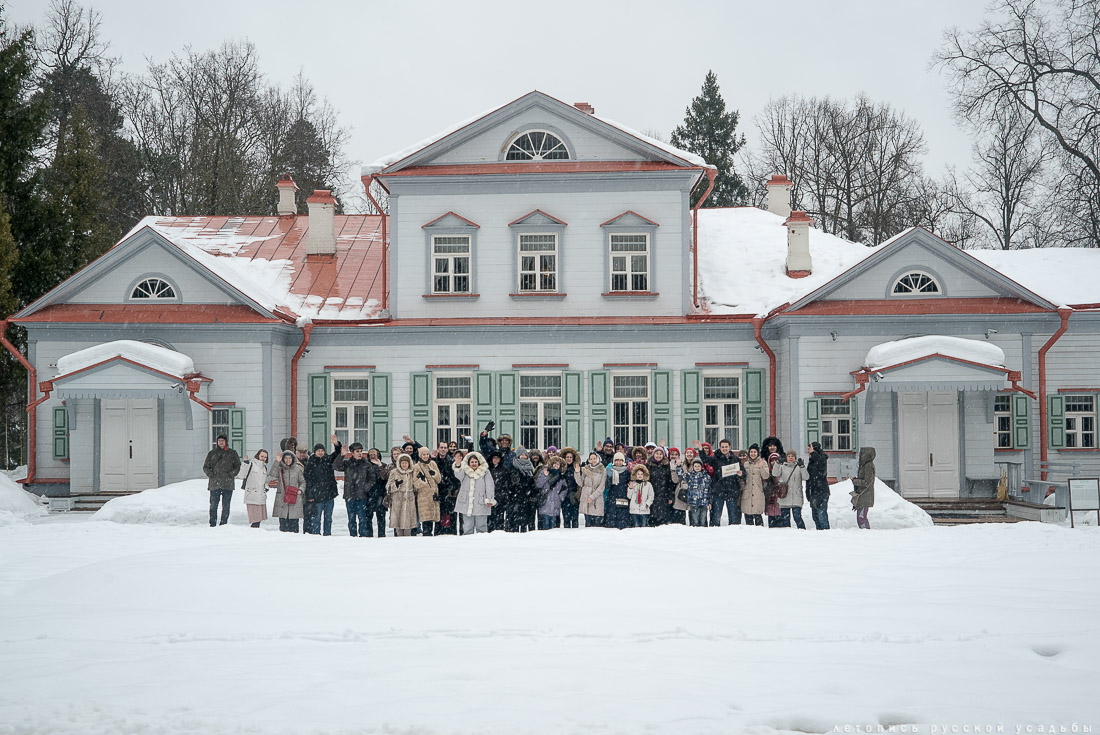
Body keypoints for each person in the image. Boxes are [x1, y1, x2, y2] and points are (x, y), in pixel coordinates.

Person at [334, 442, 380, 537]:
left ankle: (362, 535)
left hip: (361, 496)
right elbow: (336, 466)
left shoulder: (366, 464)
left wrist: (365, 488)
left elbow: (372, 479)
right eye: (357, 451)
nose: (359, 453)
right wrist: (342, 455)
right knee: (351, 518)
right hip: (349, 495)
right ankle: (353, 536)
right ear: (352, 453)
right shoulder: (347, 463)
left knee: (362, 518)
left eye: (361, 451)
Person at [303, 437, 341, 535]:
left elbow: (337, 454)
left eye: (322, 450)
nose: (320, 452)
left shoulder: (328, 460)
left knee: (328, 518)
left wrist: (336, 444)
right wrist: (310, 495)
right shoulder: (311, 463)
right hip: (317, 495)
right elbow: (308, 481)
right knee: (316, 518)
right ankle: (316, 535)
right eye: (318, 450)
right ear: (315, 452)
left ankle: (327, 534)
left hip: (329, 494)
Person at [453, 450, 495, 534]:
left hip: (481, 501)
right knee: (467, 526)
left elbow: (490, 486)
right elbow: (458, 475)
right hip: (467, 502)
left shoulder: (485, 472)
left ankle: (481, 543)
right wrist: (458, 464)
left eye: (476, 462)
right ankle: (468, 543)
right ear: (468, 463)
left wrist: (489, 499)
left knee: (481, 526)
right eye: (472, 462)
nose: (474, 463)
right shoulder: (464, 471)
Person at [203, 435, 241, 527]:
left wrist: (231, 474)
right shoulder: (212, 453)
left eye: (222, 441)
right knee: (213, 506)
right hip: (214, 484)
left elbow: (238, 466)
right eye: (219, 440)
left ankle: (223, 523)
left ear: (226, 442)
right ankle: (212, 523)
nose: (221, 442)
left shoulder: (232, 453)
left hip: (227, 484)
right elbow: (206, 467)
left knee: (226, 506)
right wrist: (211, 475)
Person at [705, 439, 743, 527]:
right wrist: (700, 449)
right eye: (722, 447)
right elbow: (705, 459)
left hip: (732, 490)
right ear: (720, 448)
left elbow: (743, 472)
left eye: (726, 447)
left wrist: (741, 474)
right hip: (718, 490)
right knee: (715, 516)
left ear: (730, 447)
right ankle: (715, 533)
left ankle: (734, 534)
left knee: (733, 517)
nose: (724, 448)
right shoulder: (715, 458)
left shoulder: (735, 458)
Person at [270, 450, 305, 532]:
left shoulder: (297, 469)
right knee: (283, 525)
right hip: (282, 499)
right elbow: (273, 474)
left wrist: (300, 490)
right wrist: (277, 462)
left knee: (294, 525)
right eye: (286, 458)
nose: (288, 460)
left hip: (294, 498)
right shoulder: (280, 468)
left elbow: (302, 482)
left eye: (289, 458)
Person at [412, 446, 442, 536]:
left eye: (426, 454)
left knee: (434, 518)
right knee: (426, 519)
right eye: (423, 455)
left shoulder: (433, 464)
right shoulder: (416, 467)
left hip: (434, 495)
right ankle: (426, 535)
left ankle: (434, 535)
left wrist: (435, 474)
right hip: (423, 497)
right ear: (420, 456)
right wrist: (422, 480)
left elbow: (439, 479)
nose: (425, 456)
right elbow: (415, 483)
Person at [774, 450, 808, 529]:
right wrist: (777, 463)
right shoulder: (782, 467)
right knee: (785, 519)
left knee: (797, 517)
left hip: (796, 497)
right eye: (789, 456)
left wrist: (802, 467)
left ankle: (803, 532)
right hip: (785, 496)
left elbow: (806, 477)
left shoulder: (799, 468)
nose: (790, 458)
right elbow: (775, 473)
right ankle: (787, 536)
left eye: (792, 456)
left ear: (795, 458)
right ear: (786, 458)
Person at [385, 453, 418, 536]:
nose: (404, 465)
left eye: (406, 463)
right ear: (399, 463)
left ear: (409, 463)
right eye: (402, 463)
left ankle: (407, 538)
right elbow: (388, 486)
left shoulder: (412, 472)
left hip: (409, 499)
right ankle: (399, 538)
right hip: (397, 499)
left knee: (408, 521)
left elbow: (416, 485)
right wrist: (395, 485)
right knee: (398, 521)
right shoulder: (394, 472)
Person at [534, 455, 569, 530]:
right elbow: (539, 485)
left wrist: (560, 497)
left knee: (554, 527)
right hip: (545, 504)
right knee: (545, 526)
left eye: (558, 464)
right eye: (555, 463)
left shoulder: (561, 477)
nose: (556, 465)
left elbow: (565, 489)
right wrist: (545, 476)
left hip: (555, 504)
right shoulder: (545, 472)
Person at [238, 449, 270, 528]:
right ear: (258, 455)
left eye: (265, 457)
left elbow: (265, 481)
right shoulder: (251, 464)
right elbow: (241, 475)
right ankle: (253, 533)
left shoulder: (264, 468)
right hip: (252, 495)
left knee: (259, 519)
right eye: (262, 456)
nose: (263, 458)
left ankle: (255, 534)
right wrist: (245, 463)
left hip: (261, 496)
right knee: (255, 519)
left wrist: (266, 487)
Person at [741, 444, 769, 526]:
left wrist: (761, 467)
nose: (753, 453)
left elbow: (766, 476)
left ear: (758, 453)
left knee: (758, 516)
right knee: (748, 516)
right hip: (747, 492)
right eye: (751, 452)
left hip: (758, 493)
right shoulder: (745, 464)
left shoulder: (763, 463)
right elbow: (742, 478)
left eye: (755, 452)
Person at [509, 448, 536, 532]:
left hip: (527, 497)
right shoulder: (514, 466)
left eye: (525, 455)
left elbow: (532, 482)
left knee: (525, 519)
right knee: (516, 519)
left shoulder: (530, 467)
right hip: (516, 497)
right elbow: (512, 482)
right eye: (521, 455)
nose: (523, 457)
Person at [576, 451, 606, 527]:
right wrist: (577, 473)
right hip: (586, 500)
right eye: (591, 459)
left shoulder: (602, 470)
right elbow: (580, 483)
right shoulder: (586, 469)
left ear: (598, 459)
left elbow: (602, 486)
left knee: (596, 525)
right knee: (588, 524)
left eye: (594, 458)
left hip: (596, 500)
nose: (593, 460)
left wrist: (592, 497)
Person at [646, 447, 674, 526]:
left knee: (663, 516)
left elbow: (669, 481)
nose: (659, 456)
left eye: (661, 454)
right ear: (653, 454)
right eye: (657, 454)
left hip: (663, 494)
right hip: (652, 493)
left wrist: (670, 496)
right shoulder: (648, 465)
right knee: (652, 515)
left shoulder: (666, 465)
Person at [806, 442, 830, 530]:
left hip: (822, 491)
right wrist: (807, 492)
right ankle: (819, 533)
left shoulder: (822, 459)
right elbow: (809, 479)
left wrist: (813, 453)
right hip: (814, 492)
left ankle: (826, 532)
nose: (808, 452)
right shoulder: (811, 462)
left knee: (821, 515)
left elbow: (820, 468)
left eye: (809, 449)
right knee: (815, 516)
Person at [850, 447, 876, 529]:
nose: (860, 456)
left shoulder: (868, 466)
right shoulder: (865, 465)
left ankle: (866, 532)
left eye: (861, 454)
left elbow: (867, 482)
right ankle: (865, 531)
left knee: (861, 518)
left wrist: (855, 481)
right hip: (863, 494)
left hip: (865, 494)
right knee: (861, 517)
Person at [604, 452, 631, 530]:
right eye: (616, 460)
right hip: (612, 499)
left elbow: (630, 484)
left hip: (623, 498)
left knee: (622, 522)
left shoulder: (627, 472)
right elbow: (607, 486)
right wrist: (609, 477)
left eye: (620, 460)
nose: (618, 462)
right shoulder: (610, 471)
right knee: (611, 522)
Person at [364, 448, 388, 537]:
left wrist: (380, 466)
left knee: (381, 517)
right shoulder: (365, 466)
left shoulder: (384, 465)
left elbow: (385, 478)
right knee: (368, 517)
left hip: (380, 494)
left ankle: (381, 535)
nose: (373, 456)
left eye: (375, 454)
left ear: (378, 455)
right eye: (371, 454)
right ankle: (369, 535)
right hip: (368, 494)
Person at [682, 458, 711, 527]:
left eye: (698, 466)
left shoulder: (706, 476)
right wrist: (678, 466)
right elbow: (681, 475)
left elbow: (709, 490)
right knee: (695, 520)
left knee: (703, 519)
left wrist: (709, 501)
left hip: (704, 502)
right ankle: (695, 533)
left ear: (701, 467)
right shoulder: (690, 476)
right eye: (695, 466)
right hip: (694, 502)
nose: (697, 468)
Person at [559, 447, 581, 529]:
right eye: (567, 457)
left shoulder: (577, 468)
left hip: (574, 496)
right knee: (566, 519)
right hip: (564, 496)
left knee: (575, 518)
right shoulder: (561, 469)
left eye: (570, 457)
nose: (569, 459)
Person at [668, 448, 688, 524]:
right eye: (672, 454)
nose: (674, 456)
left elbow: (677, 479)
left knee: (679, 513)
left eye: (676, 454)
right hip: (667, 490)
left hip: (678, 491)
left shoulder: (682, 465)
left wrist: (676, 467)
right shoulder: (666, 464)